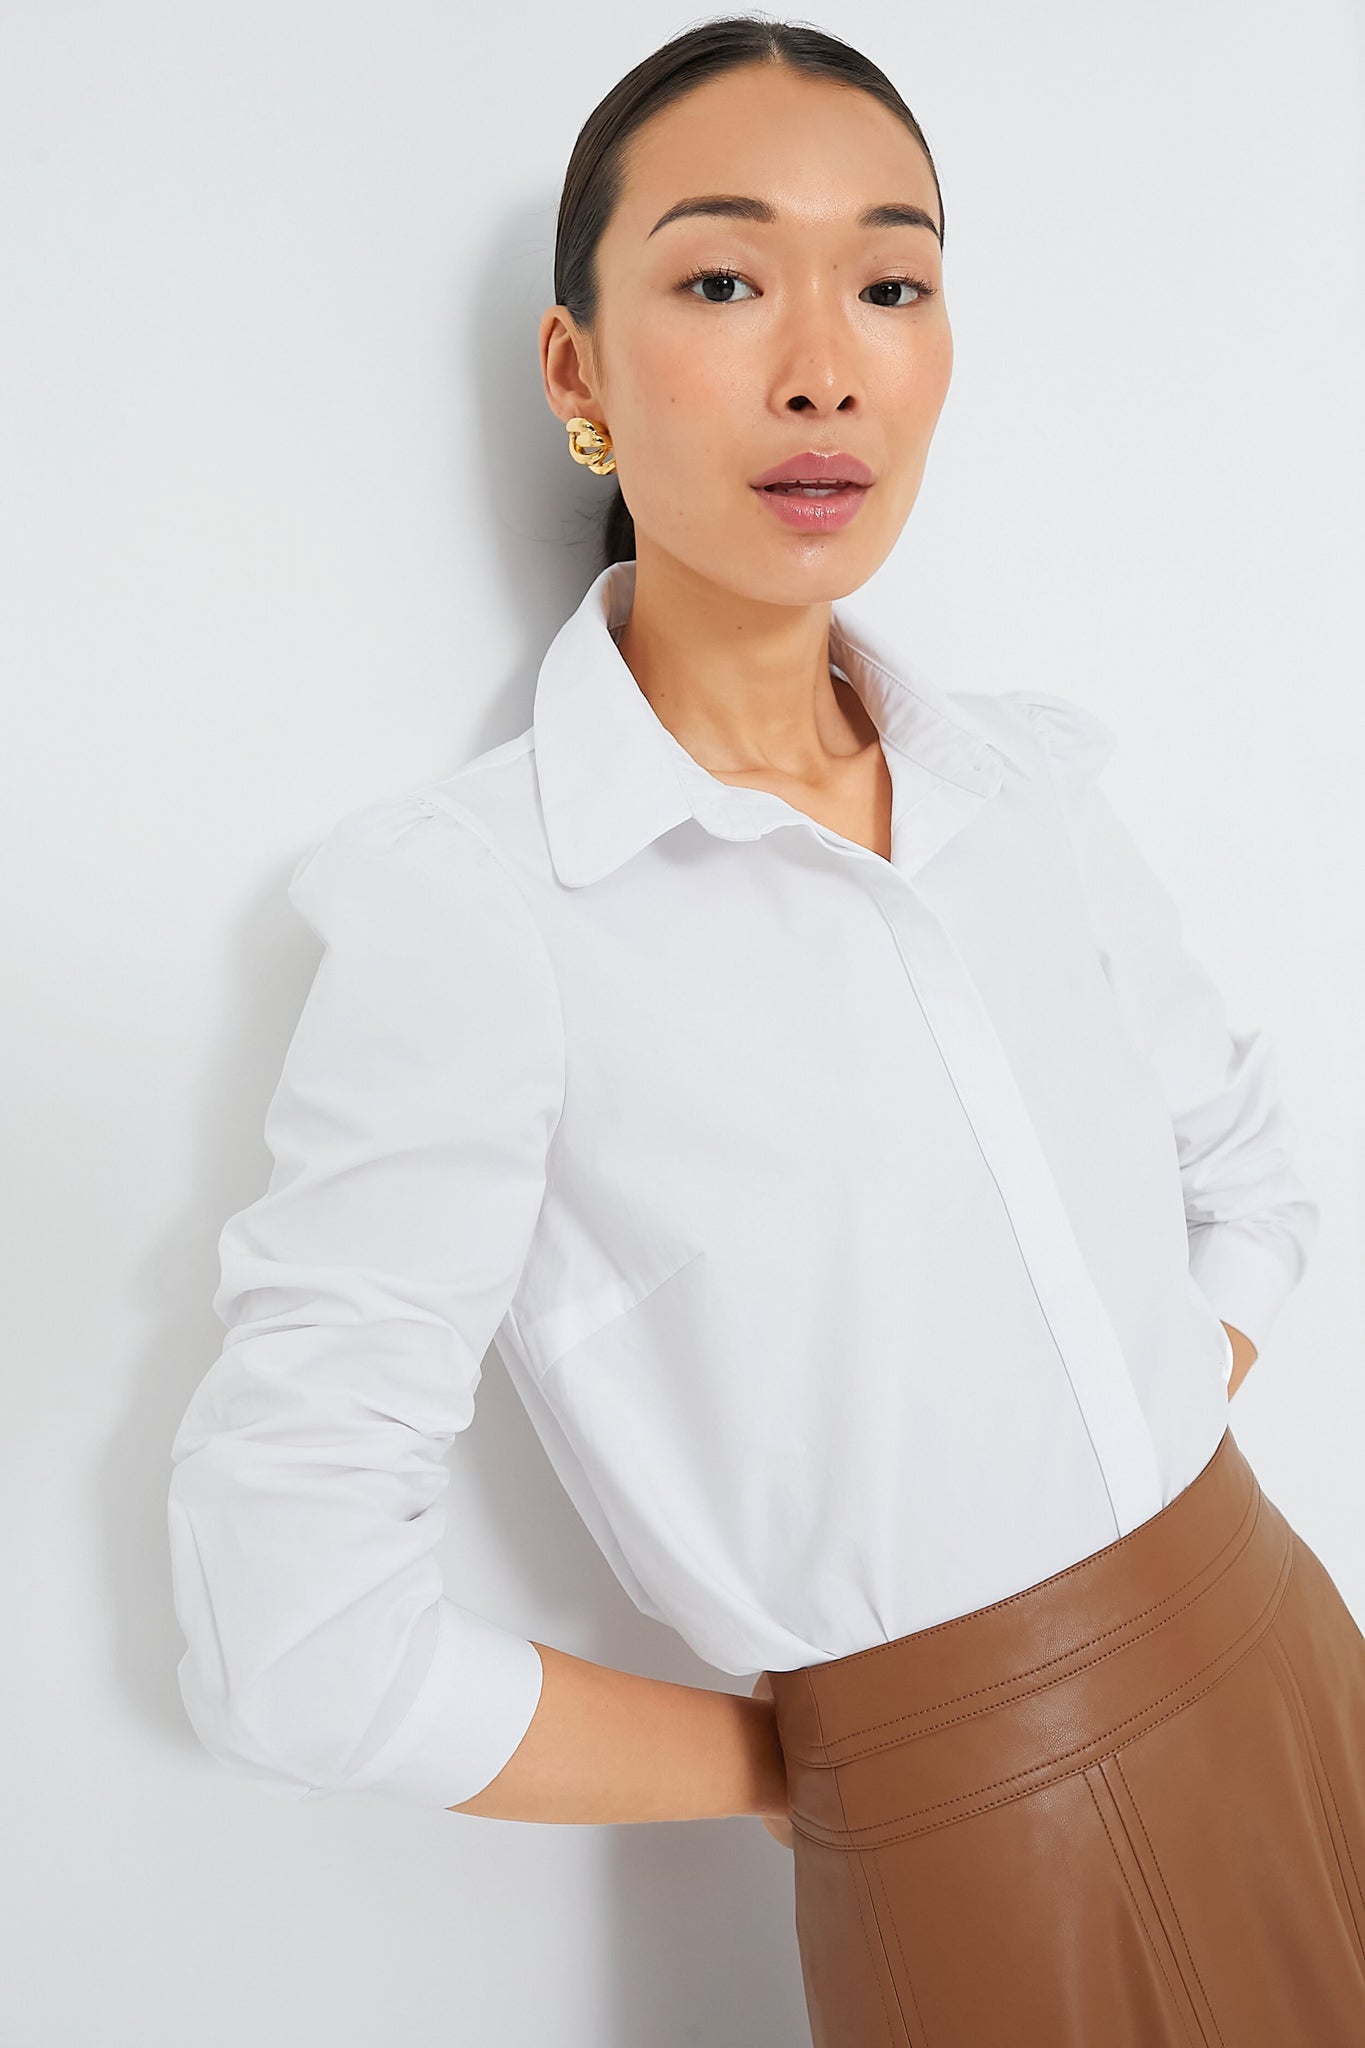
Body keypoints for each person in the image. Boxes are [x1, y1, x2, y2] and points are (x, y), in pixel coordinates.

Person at [166, 16, 1365, 2043]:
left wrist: (1129, 1471)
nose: (823, 367)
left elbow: (1243, 1184)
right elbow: (290, 1643)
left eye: (888, 284)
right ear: (577, 373)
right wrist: (824, 1752)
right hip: (987, 1859)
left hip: (1295, 1664)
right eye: (724, 281)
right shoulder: (481, 914)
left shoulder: (1019, 789)